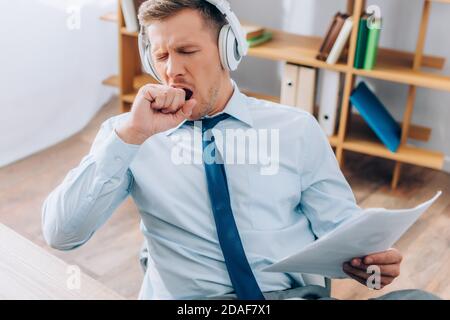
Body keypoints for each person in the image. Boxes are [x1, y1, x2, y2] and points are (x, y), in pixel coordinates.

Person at [42, 0, 439, 300]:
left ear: (228, 50)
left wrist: (370, 259)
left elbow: (341, 226)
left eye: (187, 51)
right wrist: (129, 136)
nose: (171, 70)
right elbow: (61, 233)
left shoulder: (295, 129)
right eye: (161, 56)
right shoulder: (129, 136)